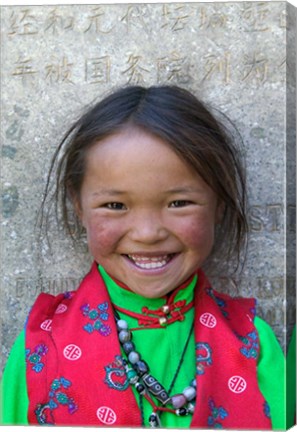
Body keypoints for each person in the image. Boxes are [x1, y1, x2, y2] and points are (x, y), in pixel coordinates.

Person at [0, 85, 285, 429]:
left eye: (179, 203)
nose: (148, 233)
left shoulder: (253, 347)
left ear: (219, 205)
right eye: (115, 205)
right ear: (79, 207)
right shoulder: (40, 349)